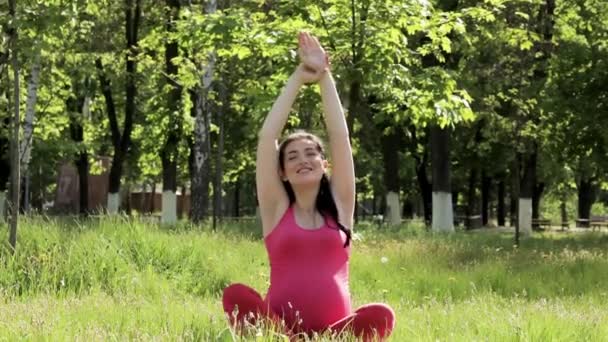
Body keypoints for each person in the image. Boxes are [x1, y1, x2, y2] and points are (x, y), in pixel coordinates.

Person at [222, 32, 395, 340]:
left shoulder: (341, 207)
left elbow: (339, 137)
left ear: (324, 164)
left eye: (311, 153)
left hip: (334, 334)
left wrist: (324, 75)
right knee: (238, 297)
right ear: (283, 172)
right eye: (292, 156)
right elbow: (266, 138)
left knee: (379, 316)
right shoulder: (277, 209)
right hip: (280, 332)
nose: (303, 159)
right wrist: (298, 78)